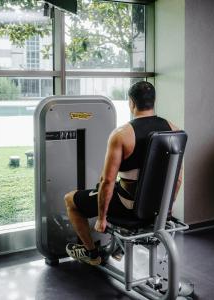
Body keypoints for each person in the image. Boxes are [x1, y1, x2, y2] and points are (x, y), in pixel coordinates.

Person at [64, 81, 182, 265]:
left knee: (71, 200)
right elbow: (178, 178)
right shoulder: (175, 130)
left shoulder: (122, 135)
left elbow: (107, 181)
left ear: (131, 103)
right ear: (154, 101)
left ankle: (92, 255)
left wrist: (102, 219)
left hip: (129, 208)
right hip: (158, 208)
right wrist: (166, 208)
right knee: (106, 189)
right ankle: (117, 249)